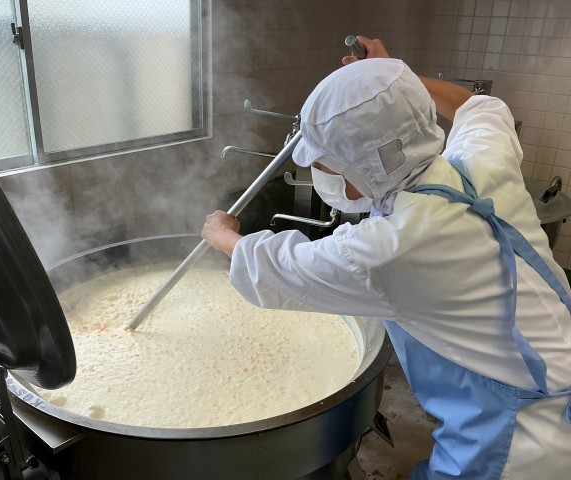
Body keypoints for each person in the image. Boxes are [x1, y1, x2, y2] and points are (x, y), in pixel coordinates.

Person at [201, 36, 571, 479]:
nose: (320, 176)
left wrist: (223, 236)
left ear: (368, 166)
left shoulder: (392, 248)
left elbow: (277, 269)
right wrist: (393, 77)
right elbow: (478, 106)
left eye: (325, 166)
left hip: (521, 440)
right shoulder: (480, 157)